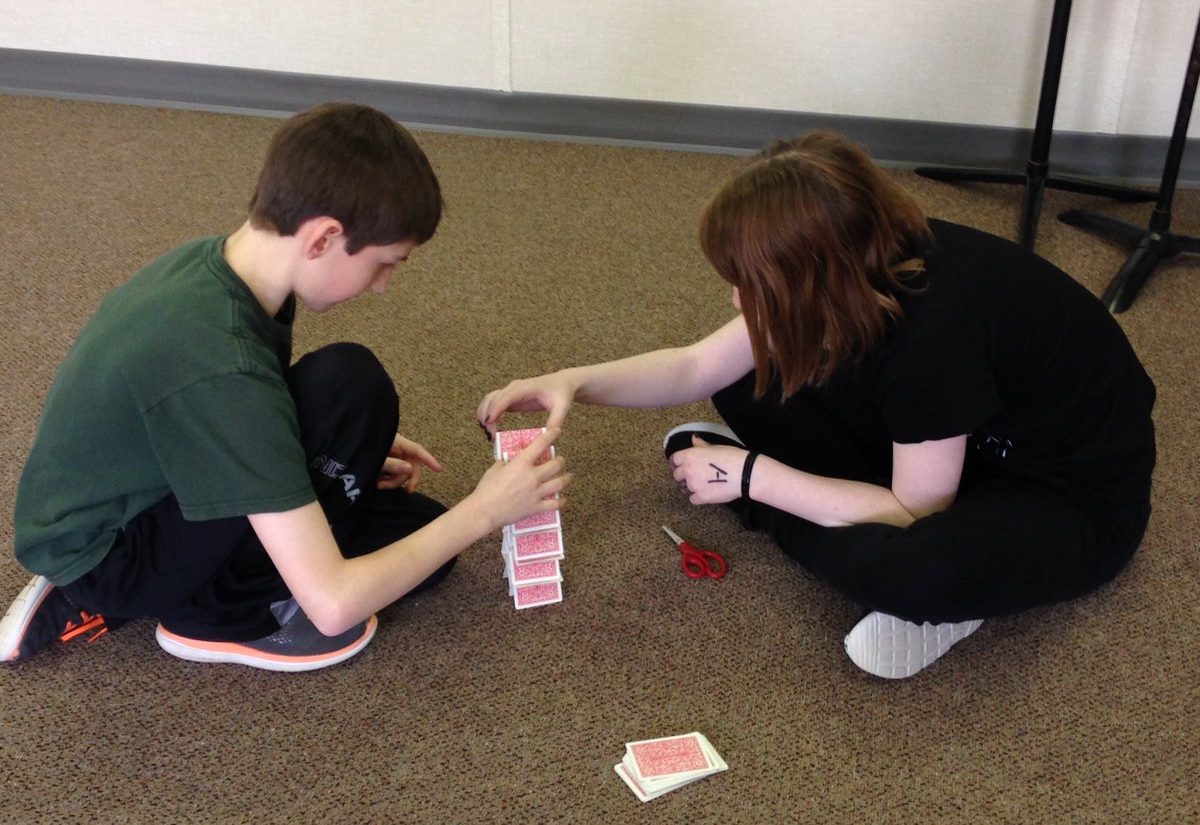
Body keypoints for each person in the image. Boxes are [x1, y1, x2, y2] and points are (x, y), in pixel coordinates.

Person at [476, 132, 1155, 679]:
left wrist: (754, 481)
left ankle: (813, 526)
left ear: (808, 279)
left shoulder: (933, 338)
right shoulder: (859, 257)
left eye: (747, 285)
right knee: (750, 375)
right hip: (950, 442)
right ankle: (819, 502)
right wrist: (571, 380)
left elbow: (919, 511)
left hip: (1067, 498)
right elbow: (693, 365)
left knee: (918, 569)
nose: (735, 299)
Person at [1, 102, 570, 672]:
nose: (383, 286)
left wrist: (323, 442)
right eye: (384, 263)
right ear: (323, 237)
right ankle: (221, 617)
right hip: (113, 556)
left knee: (386, 459)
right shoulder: (225, 366)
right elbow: (333, 604)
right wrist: (485, 510)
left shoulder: (224, 269)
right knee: (416, 541)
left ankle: (231, 568)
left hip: (151, 488)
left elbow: (229, 410)